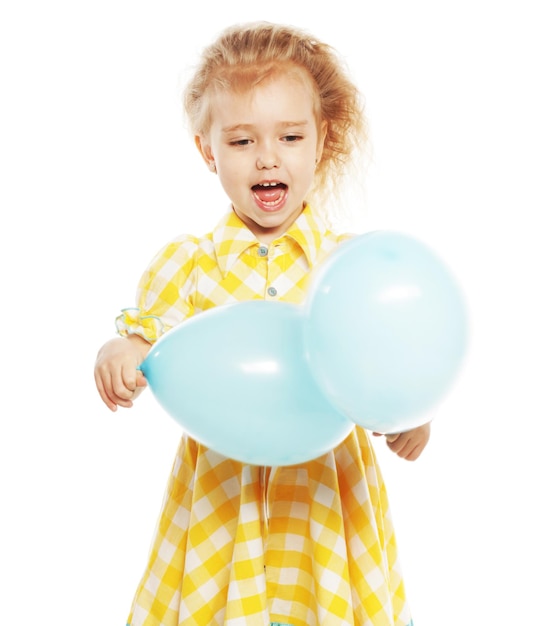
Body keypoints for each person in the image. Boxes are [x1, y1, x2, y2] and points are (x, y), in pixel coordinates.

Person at [94, 21, 430, 626]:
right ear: (208, 150)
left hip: (325, 494)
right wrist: (121, 350)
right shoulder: (191, 264)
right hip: (225, 494)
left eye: (290, 136)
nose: (268, 157)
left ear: (321, 140)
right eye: (242, 141)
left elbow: (386, 363)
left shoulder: (345, 267)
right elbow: (149, 335)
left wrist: (411, 414)